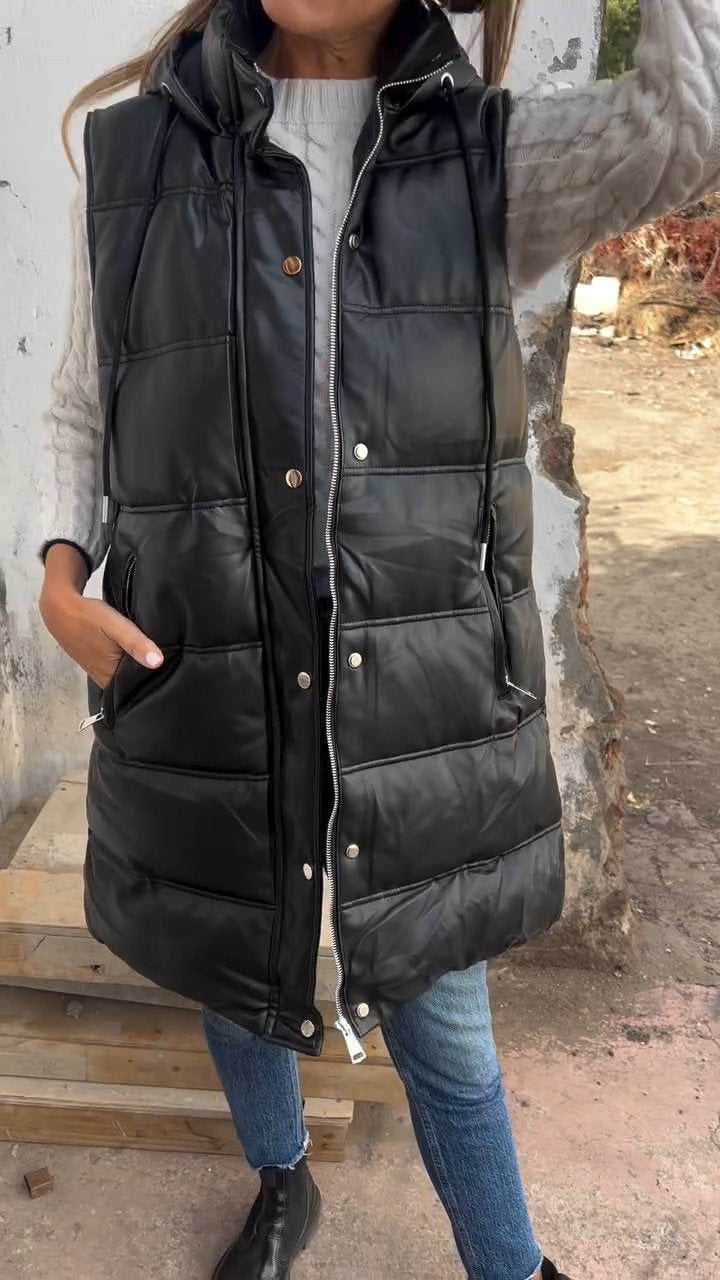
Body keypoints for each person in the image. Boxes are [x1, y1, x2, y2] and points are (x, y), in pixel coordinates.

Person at [38, 1, 720, 1276]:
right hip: (208, 666)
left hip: (414, 694)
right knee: (233, 967)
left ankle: (510, 1264)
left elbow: (691, 121)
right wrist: (60, 579)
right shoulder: (137, 153)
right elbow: (86, 404)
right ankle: (281, 1178)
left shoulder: (491, 159)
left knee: (445, 1025)